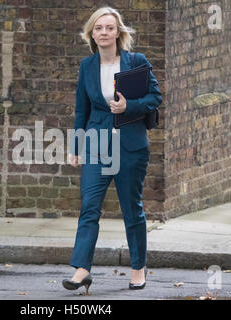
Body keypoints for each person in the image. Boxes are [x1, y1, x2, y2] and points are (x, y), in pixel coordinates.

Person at [63, 7, 162, 294]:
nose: (103, 32)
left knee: (132, 210)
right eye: (98, 28)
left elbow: (154, 97)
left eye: (109, 27)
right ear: (91, 34)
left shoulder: (136, 61)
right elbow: (82, 109)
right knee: (89, 207)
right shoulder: (87, 66)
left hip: (130, 146)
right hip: (96, 145)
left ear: (118, 32)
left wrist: (128, 106)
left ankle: (137, 268)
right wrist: (76, 147)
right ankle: (81, 269)